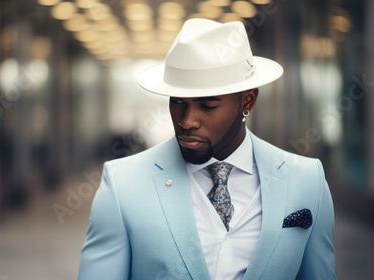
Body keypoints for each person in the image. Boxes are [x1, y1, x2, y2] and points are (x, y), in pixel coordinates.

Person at [78, 18, 335, 280]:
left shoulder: (306, 179)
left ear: (247, 100)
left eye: (207, 105)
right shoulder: (123, 183)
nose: (187, 121)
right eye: (178, 102)